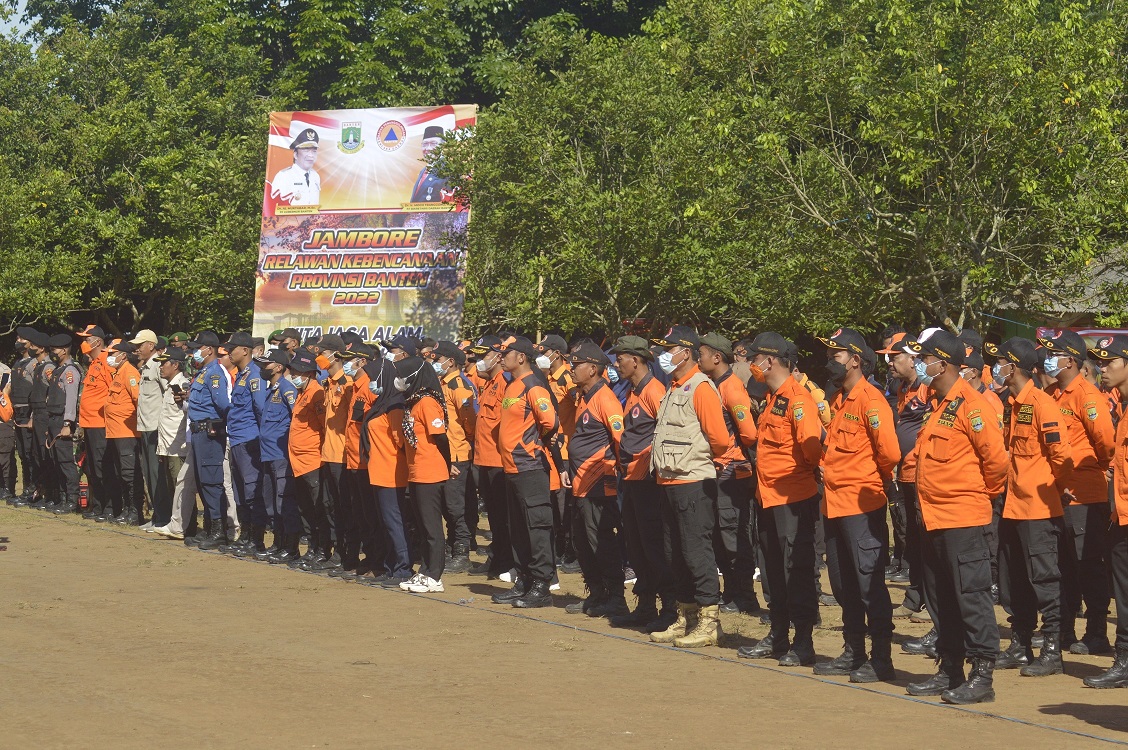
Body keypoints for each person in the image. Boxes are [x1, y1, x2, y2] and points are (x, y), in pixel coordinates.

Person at [905, 329, 1007, 705]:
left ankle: (983, 676)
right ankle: (950, 669)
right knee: (941, 597)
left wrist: (976, 497)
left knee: (971, 597)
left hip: (963, 519)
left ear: (942, 363)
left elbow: (996, 463)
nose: (920, 364)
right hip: (933, 519)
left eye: (924, 358)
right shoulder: (940, 403)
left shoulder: (972, 404)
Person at [813, 328, 901, 682]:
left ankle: (881, 658)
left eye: (835, 355)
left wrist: (868, 480)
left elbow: (890, 454)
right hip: (833, 506)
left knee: (868, 583)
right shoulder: (837, 399)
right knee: (843, 582)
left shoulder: (871, 400)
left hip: (860, 505)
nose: (829, 361)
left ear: (854, 359)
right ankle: (853, 651)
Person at [738, 332, 822, 665]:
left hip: (792, 499)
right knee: (772, 569)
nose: (752, 364)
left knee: (795, 570)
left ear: (769, 360)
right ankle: (778, 634)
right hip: (768, 497)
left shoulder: (798, 399)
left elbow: (811, 450)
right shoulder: (774, 398)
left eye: (755, 358)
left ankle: (803, 641)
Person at [990, 337, 1072, 677]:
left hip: (1037, 509)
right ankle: (1021, 643)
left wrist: (1055, 490)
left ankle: (1051, 649)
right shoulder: (1013, 403)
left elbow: (1061, 458)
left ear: (1014, 368)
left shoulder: (1041, 403)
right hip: (1012, 506)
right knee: (1015, 582)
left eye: (1000, 363)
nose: (995, 368)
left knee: (1045, 579)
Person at [647, 326, 733, 649]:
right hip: (669, 482)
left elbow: (721, 440)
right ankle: (686, 617)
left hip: (694, 482)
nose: (663, 355)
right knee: (676, 555)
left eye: (668, 349)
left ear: (686, 352)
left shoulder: (701, 388)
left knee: (697, 553)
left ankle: (710, 622)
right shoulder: (673, 387)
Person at [1038, 329, 1116, 656]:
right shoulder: (1053, 394)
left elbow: (1107, 446)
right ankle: (1064, 631)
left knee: (1089, 566)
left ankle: (1097, 632)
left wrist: (1090, 472)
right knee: (1063, 567)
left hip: (1086, 495)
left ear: (1069, 360)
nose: (1046, 358)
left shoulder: (1089, 396)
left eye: (1052, 352)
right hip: (1060, 494)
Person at [608, 335, 675, 632]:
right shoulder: (634, 392)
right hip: (630, 479)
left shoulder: (654, 391)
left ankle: (669, 608)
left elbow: (665, 432)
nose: (616, 363)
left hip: (647, 480)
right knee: (636, 546)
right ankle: (645, 604)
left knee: (654, 546)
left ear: (635, 360)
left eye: (620, 358)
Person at [490, 337, 559, 609]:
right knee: (518, 528)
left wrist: (532, 444)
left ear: (521, 358)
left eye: (506, 353)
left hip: (530, 467)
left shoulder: (533, 385)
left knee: (537, 527)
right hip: (512, 468)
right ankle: (524, 581)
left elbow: (550, 422)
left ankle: (542, 585)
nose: (501, 357)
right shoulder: (512, 385)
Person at [562, 341, 626, 617]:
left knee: (600, 540)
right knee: (581, 541)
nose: (572, 370)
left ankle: (616, 597)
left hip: (599, 483)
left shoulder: (605, 399)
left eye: (577, 365)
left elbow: (620, 440)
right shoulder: (583, 397)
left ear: (593, 369)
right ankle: (597, 592)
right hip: (579, 483)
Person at [698, 332, 760, 615]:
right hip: (715, 472)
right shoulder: (712, 385)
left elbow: (748, 433)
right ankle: (732, 591)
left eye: (701, 354)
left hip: (732, 472)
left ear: (717, 357)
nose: (698, 359)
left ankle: (745, 595)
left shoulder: (731, 388)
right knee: (719, 537)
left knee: (734, 535)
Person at [1086, 335, 1128, 687]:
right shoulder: (1122, 406)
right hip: (1121, 516)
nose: (1101, 368)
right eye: (1098, 362)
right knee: (1124, 594)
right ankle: (1124, 661)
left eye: (1109, 362)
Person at [394, 355, 451, 593]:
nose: (399, 381)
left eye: (403, 376)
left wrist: (448, 465)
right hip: (416, 471)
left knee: (432, 528)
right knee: (423, 525)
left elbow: (441, 437)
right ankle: (425, 571)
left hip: (431, 472)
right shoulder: (413, 401)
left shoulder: (427, 402)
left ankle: (435, 575)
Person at [361, 358, 413, 587]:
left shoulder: (394, 406)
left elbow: (401, 442)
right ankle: (392, 567)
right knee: (387, 522)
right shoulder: (383, 402)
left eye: (375, 378)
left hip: (391, 472)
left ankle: (403, 568)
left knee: (394, 522)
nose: (373, 383)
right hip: (380, 471)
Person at [467, 335, 515, 579]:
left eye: (484, 355)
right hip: (484, 459)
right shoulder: (488, 384)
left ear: (498, 355)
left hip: (498, 460)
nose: (479, 360)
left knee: (502, 516)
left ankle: (506, 561)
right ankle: (497, 557)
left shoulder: (505, 383)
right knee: (494, 517)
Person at [224, 332, 269, 556]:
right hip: (237, 439)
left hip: (250, 440)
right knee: (240, 491)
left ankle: (256, 539)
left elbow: (261, 409)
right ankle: (247, 535)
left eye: (232, 348)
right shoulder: (241, 375)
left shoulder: (255, 376)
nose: (229, 352)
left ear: (245, 350)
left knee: (252, 491)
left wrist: (261, 441)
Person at [186, 330, 232, 550]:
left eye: (199, 347)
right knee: (203, 481)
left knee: (212, 481)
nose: (195, 351)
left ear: (209, 349)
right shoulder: (203, 372)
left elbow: (223, 404)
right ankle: (209, 528)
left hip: (209, 432)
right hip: (198, 432)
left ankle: (218, 531)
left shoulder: (215, 373)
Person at [256, 349, 302, 563]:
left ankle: (291, 548)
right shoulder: (271, 389)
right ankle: (278, 543)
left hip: (281, 454)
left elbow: (296, 418)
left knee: (284, 501)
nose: (263, 368)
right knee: (271, 501)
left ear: (279, 367)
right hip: (268, 453)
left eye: (267, 364)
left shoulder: (287, 389)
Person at [537, 334, 578, 571]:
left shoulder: (567, 380)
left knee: (565, 505)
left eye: (545, 352)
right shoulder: (550, 377)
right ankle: (560, 547)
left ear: (556, 353)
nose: (542, 357)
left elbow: (579, 406)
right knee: (554, 501)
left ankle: (570, 550)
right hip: (553, 447)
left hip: (565, 447)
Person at [435, 341, 475, 572]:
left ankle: (461, 552)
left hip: (457, 452)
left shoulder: (459, 386)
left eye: (439, 359)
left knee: (455, 505)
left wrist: (465, 440)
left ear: (451, 362)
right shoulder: (444, 383)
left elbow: (469, 420)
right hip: (445, 452)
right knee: (447, 504)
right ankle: (452, 547)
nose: (435, 363)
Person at [286, 348, 327, 569]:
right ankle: (312, 548)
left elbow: (323, 427)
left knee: (317, 508)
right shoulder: (303, 392)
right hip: (299, 461)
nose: (294, 375)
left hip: (313, 460)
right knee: (305, 508)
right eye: (293, 370)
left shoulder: (316, 393)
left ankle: (321, 550)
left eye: (299, 371)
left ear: (310, 373)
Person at [316, 334, 352, 572]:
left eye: (322, 352)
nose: (319, 357)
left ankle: (346, 553)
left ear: (334, 354)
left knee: (344, 507)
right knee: (330, 506)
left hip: (342, 456)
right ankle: (336, 549)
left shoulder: (347, 384)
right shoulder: (327, 384)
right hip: (327, 454)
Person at [152, 347, 192, 540]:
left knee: (181, 487)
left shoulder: (183, 385)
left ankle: (188, 525)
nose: (160, 367)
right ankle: (177, 523)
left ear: (175, 365)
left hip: (179, 447)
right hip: (167, 445)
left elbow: (186, 414)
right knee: (172, 487)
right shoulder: (170, 386)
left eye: (164, 363)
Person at [104, 341, 144, 525]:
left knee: (129, 473)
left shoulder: (130, 373)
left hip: (127, 432)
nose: (110, 356)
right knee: (120, 473)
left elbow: (138, 401)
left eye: (114, 352)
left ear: (124, 355)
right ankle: (127, 509)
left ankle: (135, 512)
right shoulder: (118, 373)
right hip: (114, 431)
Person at [76, 326, 114, 520]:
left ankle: (109, 506)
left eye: (86, 339)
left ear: (97, 342)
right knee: (91, 467)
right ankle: (97, 505)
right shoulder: (93, 363)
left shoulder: (108, 361)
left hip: (101, 424)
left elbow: (113, 392)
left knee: (102, 466)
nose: (83, 343)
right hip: (89, 423)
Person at [45, 334, 82, 515]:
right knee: (56, 461)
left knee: (66, 461)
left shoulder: (70, 372)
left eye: (55, 350)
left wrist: (67, 423)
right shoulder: (58, 370)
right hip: (52, 420)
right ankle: (62, 497)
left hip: (62, 420)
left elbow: (71, 399)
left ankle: (72, 500)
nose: (52, 353)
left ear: (64, 350)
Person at [131, 330, 163, 531]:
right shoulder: (146, 367)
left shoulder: (159, 365)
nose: (137, 349)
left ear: (151, 345)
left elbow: (168, 394)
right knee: (149, 474)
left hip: (156, 427)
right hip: (145, 426)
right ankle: (158, 515)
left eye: (140, 345)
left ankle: (163, 516)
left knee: (156, 474)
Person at [27, 330, 56, 508]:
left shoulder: (48, 368)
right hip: (36, 415)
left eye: (33, 344)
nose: (30, 347)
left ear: (41, 348)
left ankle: (51, 494)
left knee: (47, 456)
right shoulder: (37, 366)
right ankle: (41, 491)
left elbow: (53, 392)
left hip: (45, 415)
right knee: (37, 455)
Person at [10, 329, 36, 505]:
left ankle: (35, 489)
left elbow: (39, 392)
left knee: (30, 453)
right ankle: (27, 487)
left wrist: (33, 415)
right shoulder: (17, 363)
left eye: (22, 338)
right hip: (17, 413)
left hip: (29, 413)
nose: (18, 341)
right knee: (22, 454)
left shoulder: (35, 364)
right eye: (17, 338)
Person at [271, 128, 321, 206]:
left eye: (314, 151)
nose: (311, 155)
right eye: (306, 150)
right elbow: (273, 206)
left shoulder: (315, 176)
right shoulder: (283, 176)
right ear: (295, 155)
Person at [410, 126, 451, 203]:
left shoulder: (448, 170)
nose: (428, 148)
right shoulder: (423, 171)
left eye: (433, 143)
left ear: (443, 145)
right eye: (425, 144)